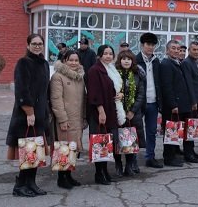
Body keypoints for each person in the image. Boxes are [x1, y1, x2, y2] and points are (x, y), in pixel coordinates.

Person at [7, 34, 50, 197]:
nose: (37, 46)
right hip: (26, 115)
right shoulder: (23, 63)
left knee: (36, 151)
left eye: (40, 43)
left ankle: (31, 183)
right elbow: (22, 90)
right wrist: (29, 112)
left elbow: (45, 90)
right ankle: (20, 186)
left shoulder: (44, 64)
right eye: (34, 43)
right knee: (28, 150)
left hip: (41, 114)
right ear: (28, 45)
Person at [87, 44, 123, 185]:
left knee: (107, 142)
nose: (108, 56)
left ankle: (105, 171)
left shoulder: (111, 69)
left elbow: (115, 88)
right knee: (100, 142)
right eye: (105, 53)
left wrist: (119, 94)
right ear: (99, 55)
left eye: (110, 53)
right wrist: (101, 111)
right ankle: (99, 173)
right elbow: (94, 93)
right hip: (100, 112)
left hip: (111, 110)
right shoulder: (95, 70)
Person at [50, 50, 86, 189]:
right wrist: (62, 119)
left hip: (77, 118)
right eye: (71, 60)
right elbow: (56, 99)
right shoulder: (58, 76)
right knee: (63, 147)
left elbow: (84, 99)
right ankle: (61, 178)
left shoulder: (80, 77)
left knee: (73, 148)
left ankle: (69, 175)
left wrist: (84, 117)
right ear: (65, 60)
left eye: (76, 60)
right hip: (65, 119)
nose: (74, 63)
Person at [159, 40, 192, 167]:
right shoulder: (166, 64)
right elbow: (167, 87)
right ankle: (169, 158)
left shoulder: (176, 63)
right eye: (173, 48)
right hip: (172, 106)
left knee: (175, 131)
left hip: (180, 103)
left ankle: (173, 155)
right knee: (170, 131)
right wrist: (173, 105)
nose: (176, 51)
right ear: (167, 50)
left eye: (178, 48)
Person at [115, 50, 147, 176]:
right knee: (117, 139)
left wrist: (132, 111)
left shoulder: (137, 74)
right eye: (124, 59)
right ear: (120, 60)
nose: (126, 61)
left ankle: (130, 165)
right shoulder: (114, 74)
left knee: (130, 139)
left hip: (133, 113)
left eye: (129, 59)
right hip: (117, 113)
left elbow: (141, 94)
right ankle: (118, 165)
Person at [136, 32, 163, 169]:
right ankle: (132, 159)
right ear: (142, 45)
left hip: (153, 101)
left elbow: (160, 82)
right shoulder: (135, 61)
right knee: (135, 131)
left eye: (153, 45)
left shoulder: (157, 61)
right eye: (148, 44)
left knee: (152, 131)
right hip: (139, 102)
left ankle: (150, 157)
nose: (150, 47)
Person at [180, 41, 198, 163]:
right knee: (189, 127)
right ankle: (188, 153)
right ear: (189, 50)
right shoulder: (186, 63)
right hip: (191, 101)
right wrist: (193, 101)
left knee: (193, 127)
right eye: (194, 50)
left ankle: (191, 150)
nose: (196, 52)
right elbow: (189, 83)